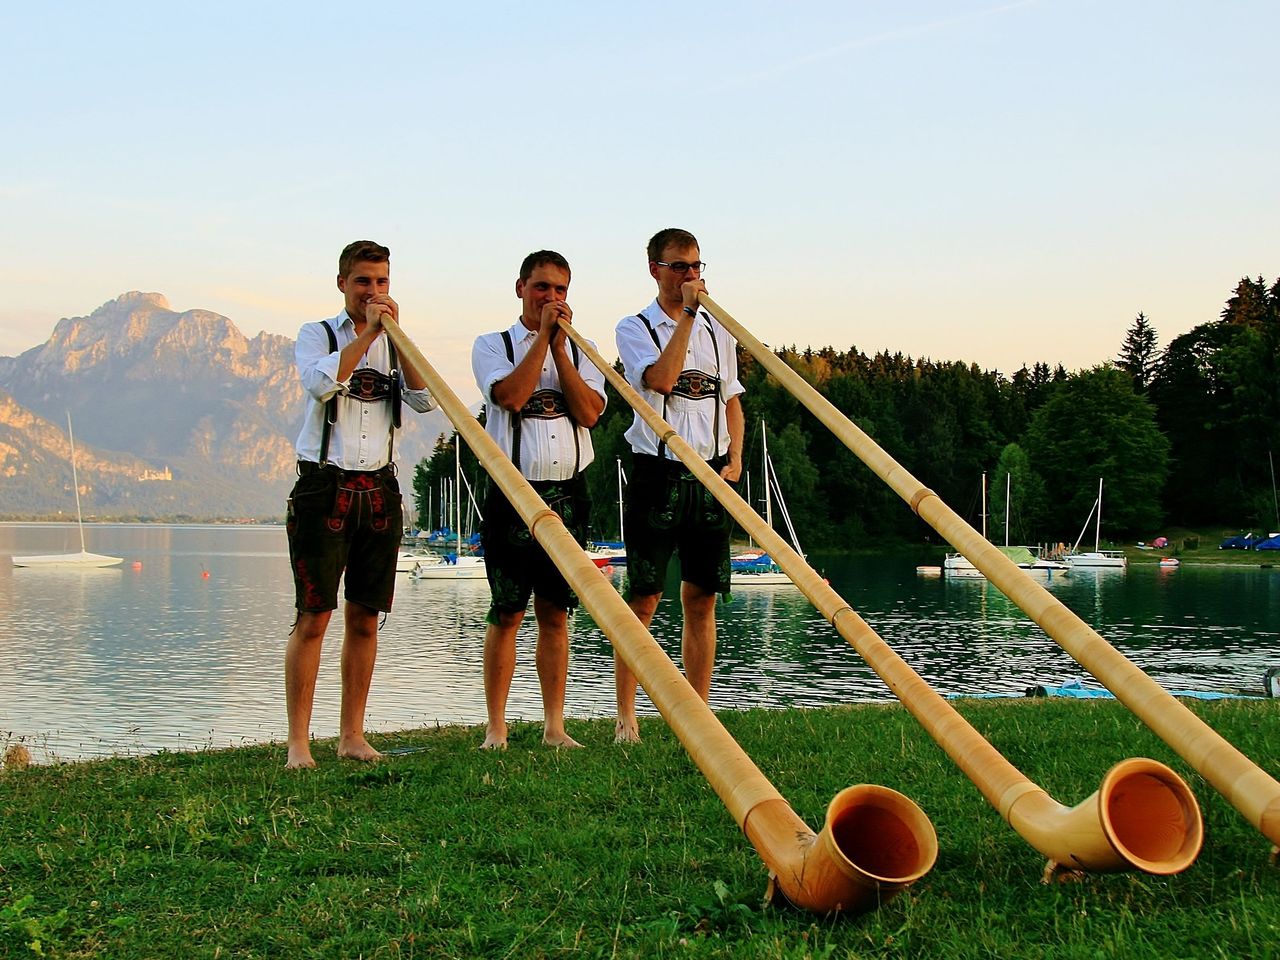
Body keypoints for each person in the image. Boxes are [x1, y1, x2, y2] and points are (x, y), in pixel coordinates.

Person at [284, 240, 437, 769]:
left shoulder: (396, 341)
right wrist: (368, 333)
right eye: (364, 282)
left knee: (366, 615)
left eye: (383, 283)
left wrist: (398, 340)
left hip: (380, 486)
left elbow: (424, 400)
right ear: (343, 283)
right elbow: (320, 385)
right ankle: (299, 743)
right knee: (314, 615)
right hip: (324, 485)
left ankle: (352, 734)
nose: (375, 292)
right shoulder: (317, 335)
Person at [613, 228, 744, 743]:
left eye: (696, 266)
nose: (691, 276)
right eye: (679, 267)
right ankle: (627, 714)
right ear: (655, 271)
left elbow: (731, 397)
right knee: (644, 597)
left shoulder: (720, 330)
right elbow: (662, 380)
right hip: (657, 471)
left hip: (710, 472)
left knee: (701, 596)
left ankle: (698, 712)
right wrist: (688, 315)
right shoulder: (635, 326)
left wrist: (735, 457)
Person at [471, 250, 606, 749]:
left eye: (561, 290)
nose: (552, 298)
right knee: (506, 610)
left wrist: (562, 351)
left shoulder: (584, 348)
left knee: (556, 611)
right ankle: (496, 726)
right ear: (521, 288)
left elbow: (590, 413)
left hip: (570, 491)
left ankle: (554, 726)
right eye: (542, 288)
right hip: (512, 491)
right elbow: (509, 395)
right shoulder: (493, 344)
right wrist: (542, 342)